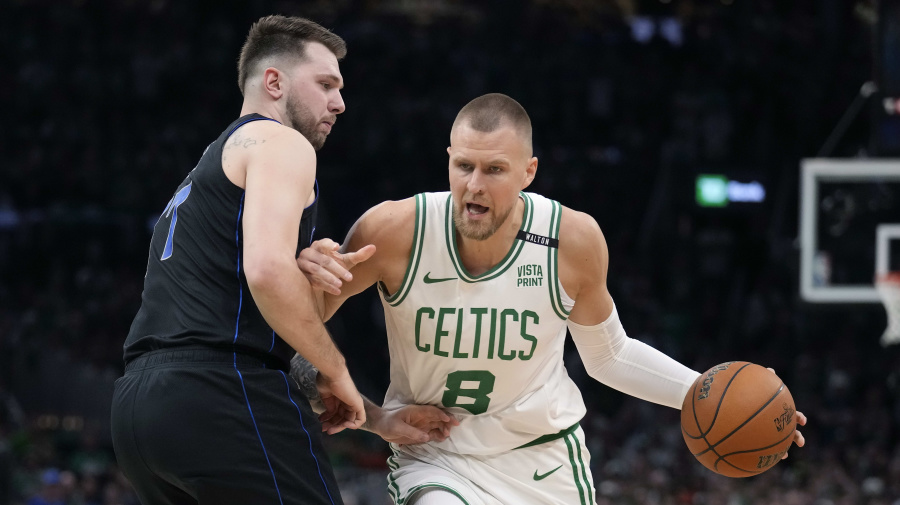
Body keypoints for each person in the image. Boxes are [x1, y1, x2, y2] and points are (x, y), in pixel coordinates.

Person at [295, 93, 808, 505]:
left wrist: (710, 395)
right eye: (464, 166)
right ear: (448, 161)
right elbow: (299, 334)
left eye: (494, 170)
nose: (474, 185)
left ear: (528, 172)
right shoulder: (392, 231)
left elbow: (609, 355)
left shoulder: (573, 241)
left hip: (544, 458)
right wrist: (378, 415)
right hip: (437, 459)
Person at [110, 15, 451, 505]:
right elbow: (266, 275)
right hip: (220, 391)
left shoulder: (209, 166)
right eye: (326, 84)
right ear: (274, 82)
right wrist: (335, 367)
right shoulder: (280, 142)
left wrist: (373, 417)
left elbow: (245, 316)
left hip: (140, 413)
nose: (340, 102)